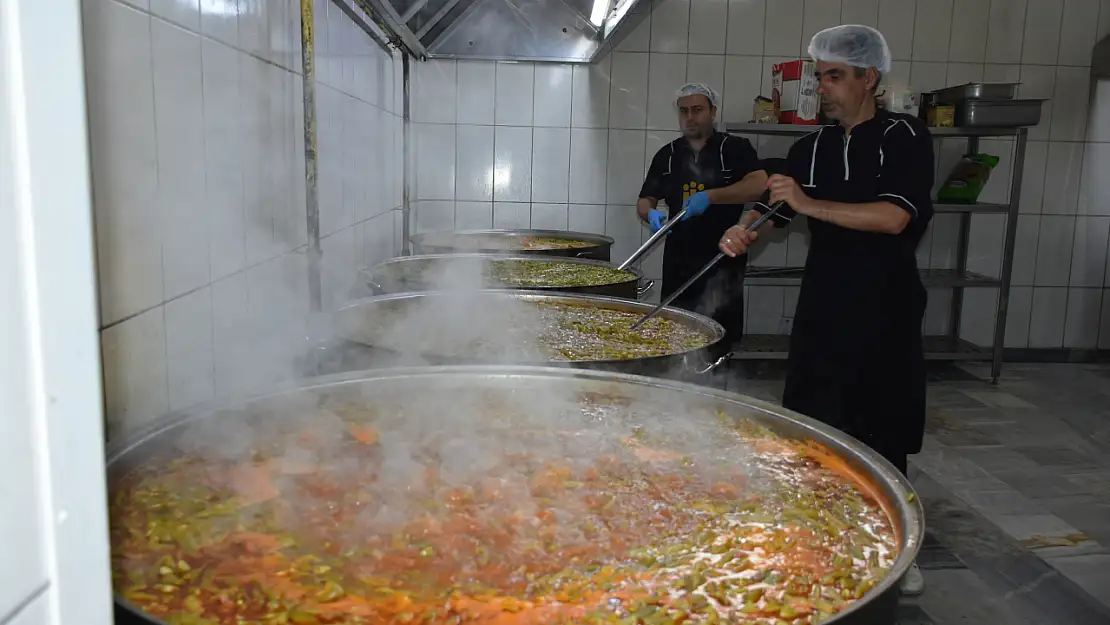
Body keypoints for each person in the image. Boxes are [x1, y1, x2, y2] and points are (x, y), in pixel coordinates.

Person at [718, 25, 932, 596]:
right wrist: (743, 232)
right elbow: (773, 210)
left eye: (835, 76)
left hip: (885, 304)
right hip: (824, 303)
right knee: (814, 422)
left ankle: (898, 554)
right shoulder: (810, 147)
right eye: (820, 77)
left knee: (881, 425)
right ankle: (817, 535)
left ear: (870, 78)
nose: (824, 88)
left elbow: (893, 218)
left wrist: (808, 203)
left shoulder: (903, 135)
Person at [637, 83, 770, 350]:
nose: (690, 117)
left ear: (713, 112)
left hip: (723, 259)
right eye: (684, 111)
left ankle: (717, 382)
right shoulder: (668, 155)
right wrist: (650, 213)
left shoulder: (734, 148)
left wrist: (711, 196)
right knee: (674, 333)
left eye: (697, 109)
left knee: (719, 336)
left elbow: (759, 184)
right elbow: (644, 200)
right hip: (678, 262)